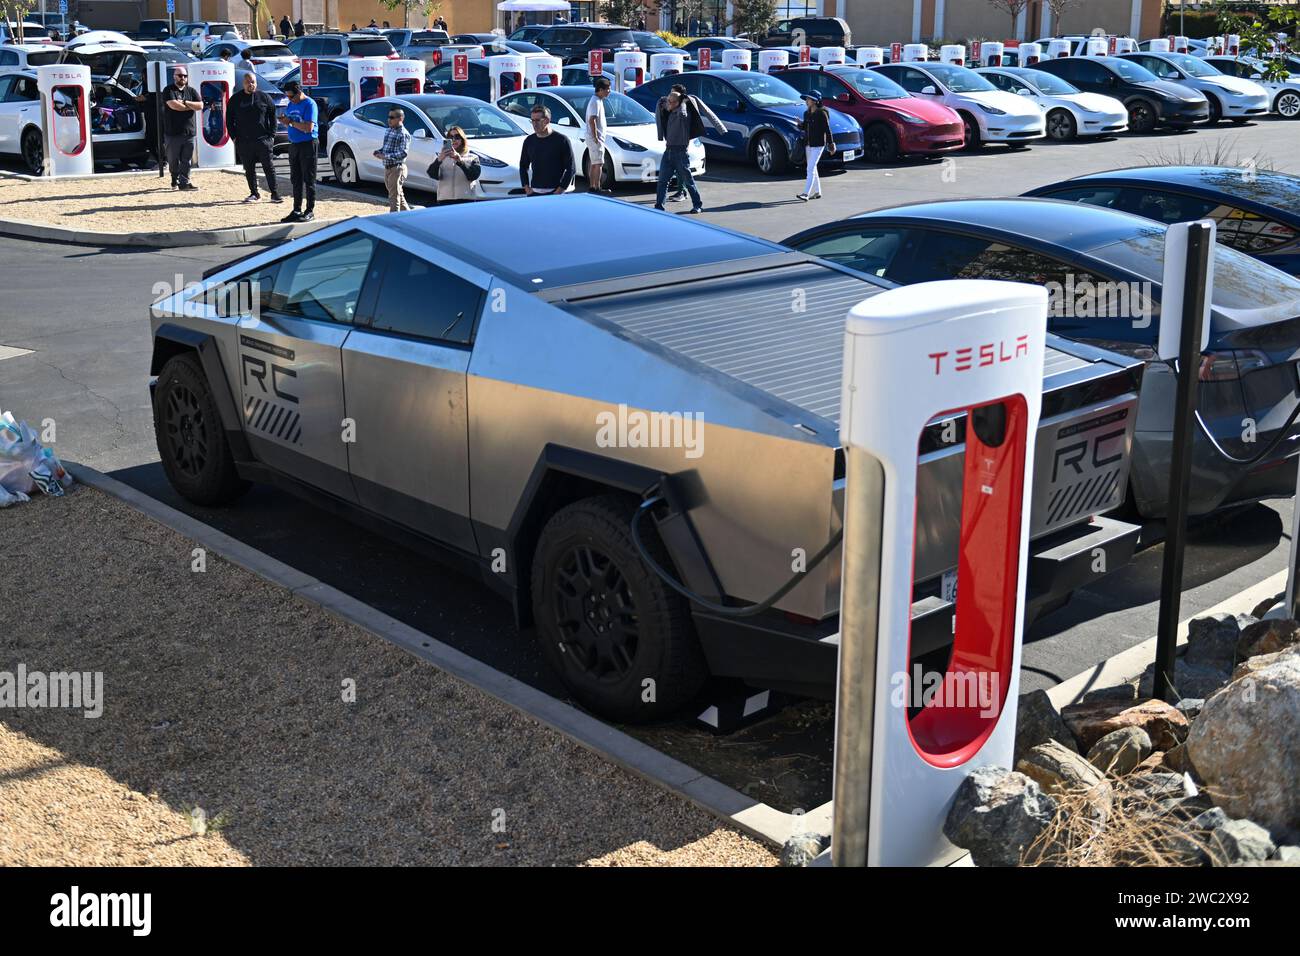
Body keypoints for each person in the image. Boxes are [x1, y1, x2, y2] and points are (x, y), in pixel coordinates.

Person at [653, 82, 721, 213]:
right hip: (668, 152)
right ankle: (659, 206)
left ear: (679, 103)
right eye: (668, 101)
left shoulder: (683, 114)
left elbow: (683, 113)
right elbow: (660, 114)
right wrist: (666, 103)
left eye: (672, 102)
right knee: (662, 181)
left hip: (680, 153)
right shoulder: (667, 111)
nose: (669, 104)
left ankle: (697, 205)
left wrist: (683, 103)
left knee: (688, 181)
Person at [228, 71, 281, 204]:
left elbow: (272, 116)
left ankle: (274, 194)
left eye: (253, 82)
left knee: (268, 167)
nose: (250, 84)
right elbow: (229, 120)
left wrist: (272, 135)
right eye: (248, 82)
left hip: (263, 140)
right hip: (243, 141)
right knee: (249, 169)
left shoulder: (264, 97)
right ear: (243, 84)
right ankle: (254, 193)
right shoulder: (235, 99)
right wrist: (234, 137)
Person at [280, 80, 317, 221]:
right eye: (287, 96)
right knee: (296, 179)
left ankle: (309, 210)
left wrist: (290, 122)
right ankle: (296, 210)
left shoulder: (309, 104)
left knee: (309, 178)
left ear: (299, 93)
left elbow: (308, 128)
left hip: (308, 144)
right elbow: (291, 121)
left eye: (291, 96)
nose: (289, 99)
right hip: (294, 144)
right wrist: (285, 120)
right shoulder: (291, 104)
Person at [161, 66, 202, 191]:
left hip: (189, 132)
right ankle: (174, 179)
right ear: (174, 76)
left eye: (185, 76)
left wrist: (185, 103)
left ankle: (184, 182)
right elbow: (174, 105)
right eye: (180, 75)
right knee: (173, 160)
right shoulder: (168, 90)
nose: (183, 78)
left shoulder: (192, 91)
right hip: (173, 132)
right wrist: (189, 105)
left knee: (186, 160)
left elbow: (200, 105)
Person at [519, 104, 574, 195]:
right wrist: (526, 188)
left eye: (537, 120)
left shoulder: (562, 140)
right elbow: (523, 166)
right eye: (532, 121)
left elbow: (571, 168)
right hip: (534, 193)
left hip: (555, 192)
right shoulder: (529, 141)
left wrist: (560, 190)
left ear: (547, 120)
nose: (534, 124)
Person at [796, 91, 834, 201]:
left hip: (818, 145)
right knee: (813, 168)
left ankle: (806, 194)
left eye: (808, 99)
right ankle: (817, 192)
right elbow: (805, 127)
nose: (806, 101)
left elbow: (827, 130)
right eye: (806, 99)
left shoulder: (822, 113)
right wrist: (800, 124)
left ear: (815, 101)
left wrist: (831, 144)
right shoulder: (806, 113)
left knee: (810, 168)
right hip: (808, 144)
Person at [373, 105, 411, 212]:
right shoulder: (389, 130)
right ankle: (410, 217)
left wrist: (385, 156)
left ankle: (394, 222)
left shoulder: (404, 134)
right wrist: (379, 152)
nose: (389, 120)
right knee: (398, 195)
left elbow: (403, 153)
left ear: (400, 119)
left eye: (392, 117)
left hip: (397, 168)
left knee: (394, 198)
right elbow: (386, 148)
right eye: (389, 117)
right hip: (388, 167)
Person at [428, 125, 480, 203]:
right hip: (445, 200)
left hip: (466, 200)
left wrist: (460, 161)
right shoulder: (442, 157)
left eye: (457, 137)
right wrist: (439, 160)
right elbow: (432, 174)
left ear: (462, 140)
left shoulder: (472, 157)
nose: (454, 140)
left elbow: (473, 176)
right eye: (450, 137)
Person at [585, 76, 610, 193]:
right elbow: (592, 119)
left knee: (595, 163)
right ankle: (596, 187)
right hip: (595, 138)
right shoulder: (595, 101)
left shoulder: (597, 100)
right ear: (600, 90)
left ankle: (593, 186)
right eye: (607, 89)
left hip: (595, 137)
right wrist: (595, 136)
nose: (609, 91)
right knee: (598, 163)